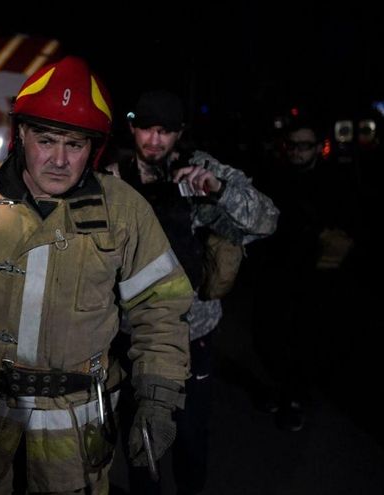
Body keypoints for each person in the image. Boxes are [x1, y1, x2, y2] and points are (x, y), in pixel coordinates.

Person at [0, 56, 194, 494]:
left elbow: (161, 307)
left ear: (93, 148)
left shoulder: (124, 211)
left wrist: (158, 399)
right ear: (20, 134)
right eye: (46, 139)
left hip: (73, 431)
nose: (58, 159)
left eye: (74, 144)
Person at [105, 89, 278, 494]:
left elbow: (267, 220)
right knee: (141, 439)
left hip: (192, 334)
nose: (154, 141)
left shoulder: (199, 169)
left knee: (190, 436)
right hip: (135, 335)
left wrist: (216, 189)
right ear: (132, 128)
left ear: (179, 133)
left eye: (165, 131)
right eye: (146, 129)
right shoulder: (113, 176)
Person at [249, 117, 357, 432]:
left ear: (317, 147)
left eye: (304, 145)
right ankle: (280, 388)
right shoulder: (273, 175)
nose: (297, 151)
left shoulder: (334, 180)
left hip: (312, 277)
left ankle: (295, 398)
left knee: (302, 339)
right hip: (275, 270)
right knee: (268, 335)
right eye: (292, 145)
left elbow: (346, 226)